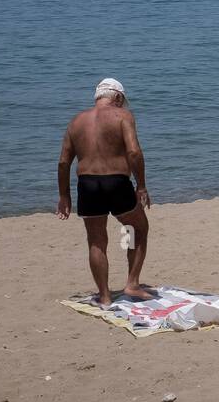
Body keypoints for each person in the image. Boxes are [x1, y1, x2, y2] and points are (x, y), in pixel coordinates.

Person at [55, 78, 152, 305]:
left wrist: (64, 196)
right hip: (116, 182)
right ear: (117, 97)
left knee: (96, 240)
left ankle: (105, 296)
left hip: (87, 185)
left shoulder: (76, 121)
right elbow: (134, 152)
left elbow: (63, 163)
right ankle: (132, 283)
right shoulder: (122, 116)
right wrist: (142, 185)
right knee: (136, 227)